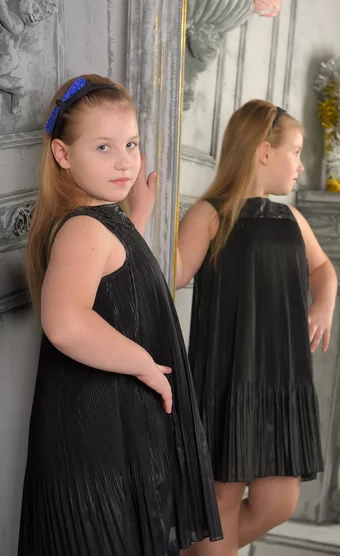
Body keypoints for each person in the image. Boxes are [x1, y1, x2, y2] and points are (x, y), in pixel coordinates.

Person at [18, 74, 222, 556]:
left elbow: (121, 289)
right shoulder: (84, 229)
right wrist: (144, 363)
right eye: (104, 147)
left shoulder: (104, 221)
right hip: (94, 436)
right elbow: (66, 323)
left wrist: (138, 217)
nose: (126, 160)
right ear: (63, 155)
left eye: (130, 144)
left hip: (109, 430)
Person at [174, 100, 338, 555]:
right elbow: (173, 275)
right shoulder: (211, 215)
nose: (301, 166)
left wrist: (323, 303)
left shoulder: (291, 219)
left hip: (281, 381)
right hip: (224, 378)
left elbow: (323, 268)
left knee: (277, 502)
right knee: (222, 499)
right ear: (264, 152)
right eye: (296, 152)